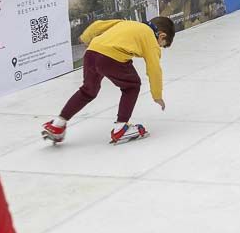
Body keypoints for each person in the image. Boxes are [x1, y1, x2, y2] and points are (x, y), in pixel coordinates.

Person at [42, 17, 176, 145]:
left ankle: (58, 124)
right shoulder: (150, 38)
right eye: (162, 45)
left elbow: (98, 25)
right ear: (162, 36)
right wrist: (157, 95)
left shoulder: (127, 23)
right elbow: (154, 69)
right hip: (111, 57)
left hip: (91, 52)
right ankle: (121, 128)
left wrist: (85, 38)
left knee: (88, 91)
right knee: (132, 86)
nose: (159, 48)